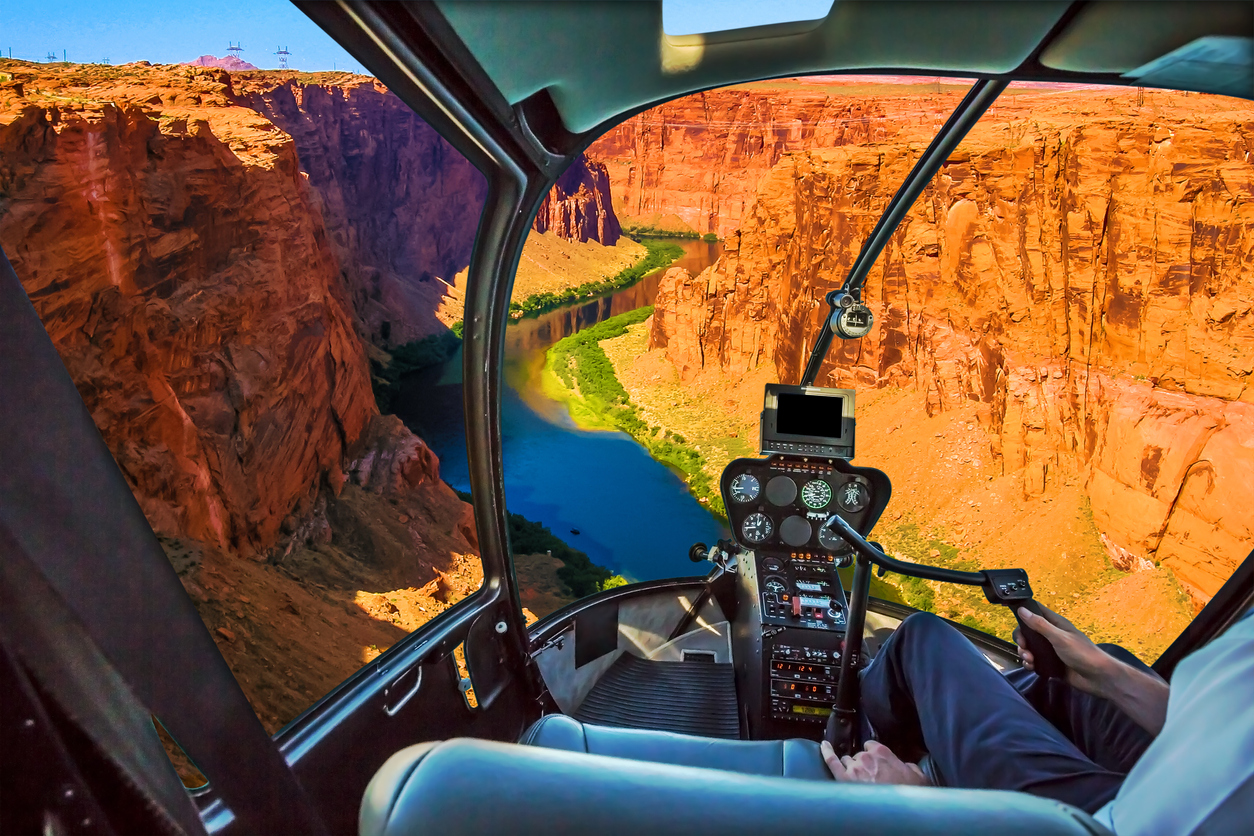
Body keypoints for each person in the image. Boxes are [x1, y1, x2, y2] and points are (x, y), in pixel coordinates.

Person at [820, 603, 1253, 834]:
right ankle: (954, 748)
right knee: (1100, 668)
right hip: (1185, 772)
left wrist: (918, 808)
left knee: (922, 639)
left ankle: (862, 733)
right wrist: (1106, 674)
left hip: (1108, 822)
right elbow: (1226, 725)